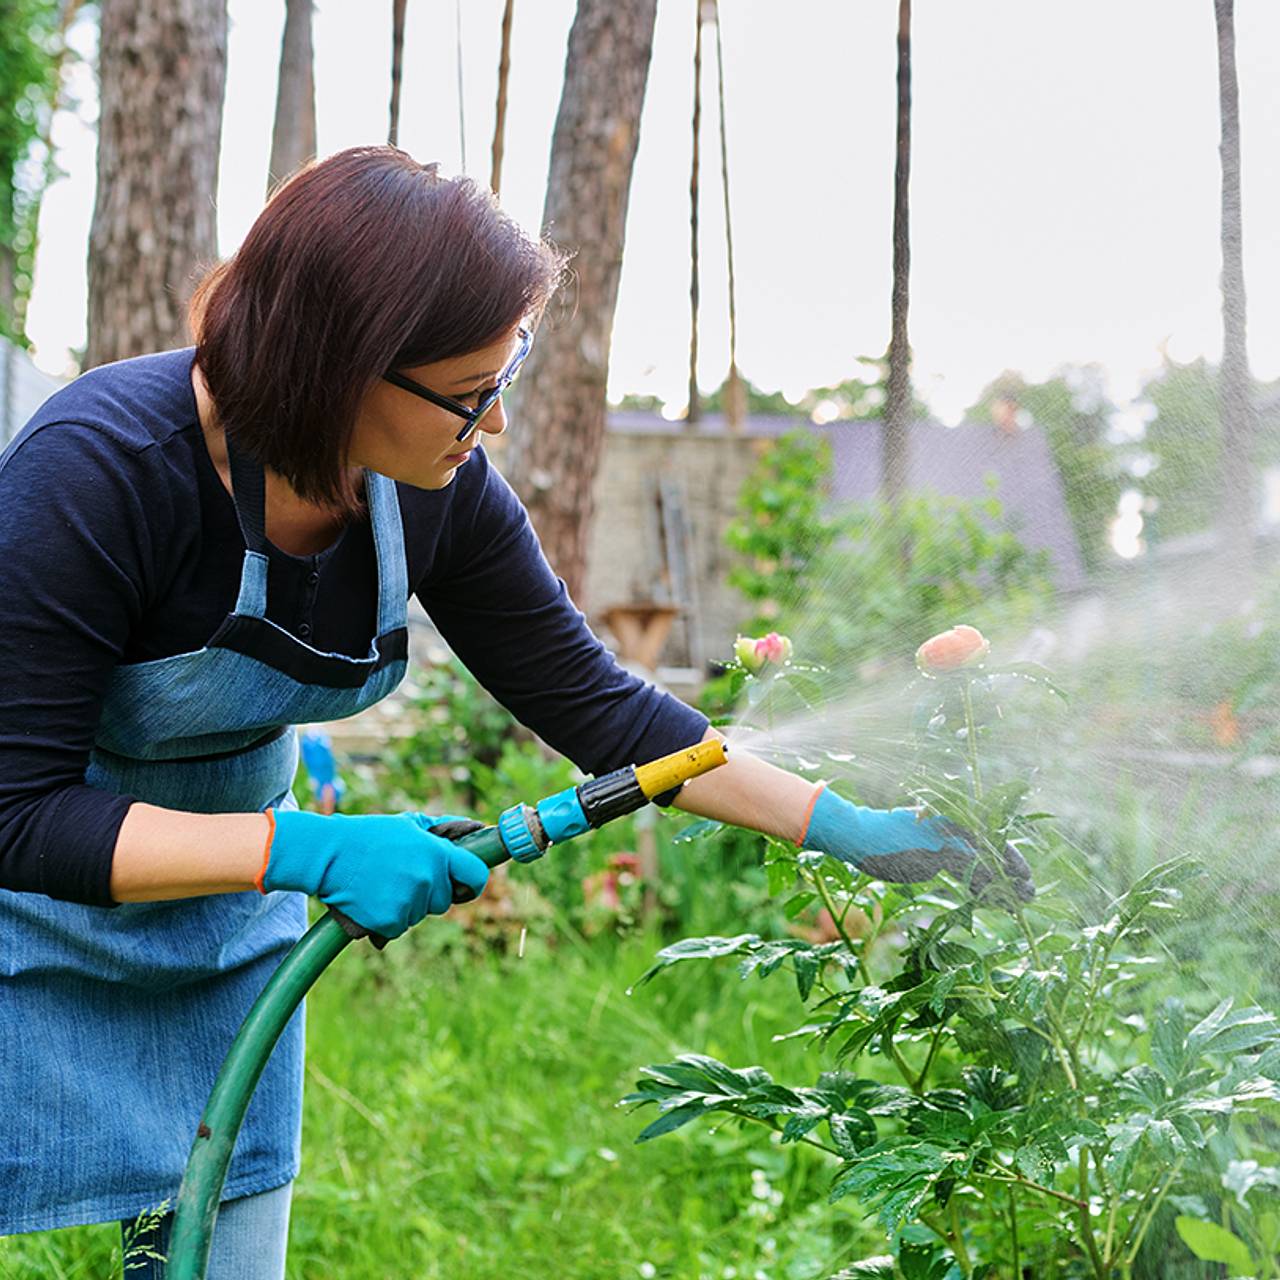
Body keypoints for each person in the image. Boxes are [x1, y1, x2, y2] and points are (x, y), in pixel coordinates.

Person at [0, 147, 1030, 1276]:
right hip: (33, 915)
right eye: (466, 391)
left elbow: (602, 708)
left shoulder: (435, 495)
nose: (489, 423)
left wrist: (850, 827)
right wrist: (306, 844)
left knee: (214, 1252)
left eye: (507, 372)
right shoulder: (99, 470)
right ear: (340, 368)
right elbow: (20, 813)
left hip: (228, 920)